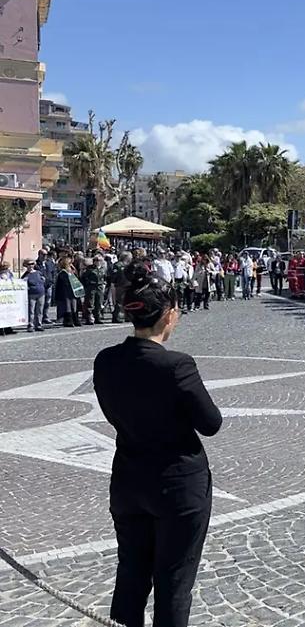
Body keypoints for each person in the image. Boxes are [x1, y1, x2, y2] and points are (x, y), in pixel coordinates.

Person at [92, 263, 222, 627]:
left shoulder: (106, 360)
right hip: (177, 485)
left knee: (131, 577)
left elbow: (113, 412)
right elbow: (210, 423)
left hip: (129, 481)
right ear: (168, 316)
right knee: (174, 583)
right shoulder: (177, 366)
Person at [22, 260, 45, 332]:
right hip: (31, 294)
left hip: (41, 293)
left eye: (32, 264)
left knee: (40, 310)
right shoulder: (26, 275)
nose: (31, 266)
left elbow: (43, 280)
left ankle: (39, 324)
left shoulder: (38, 272)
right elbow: (22, 284)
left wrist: (43, 281)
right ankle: (30, 325)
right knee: (31, 310)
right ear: (26, 265)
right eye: (29, 264)